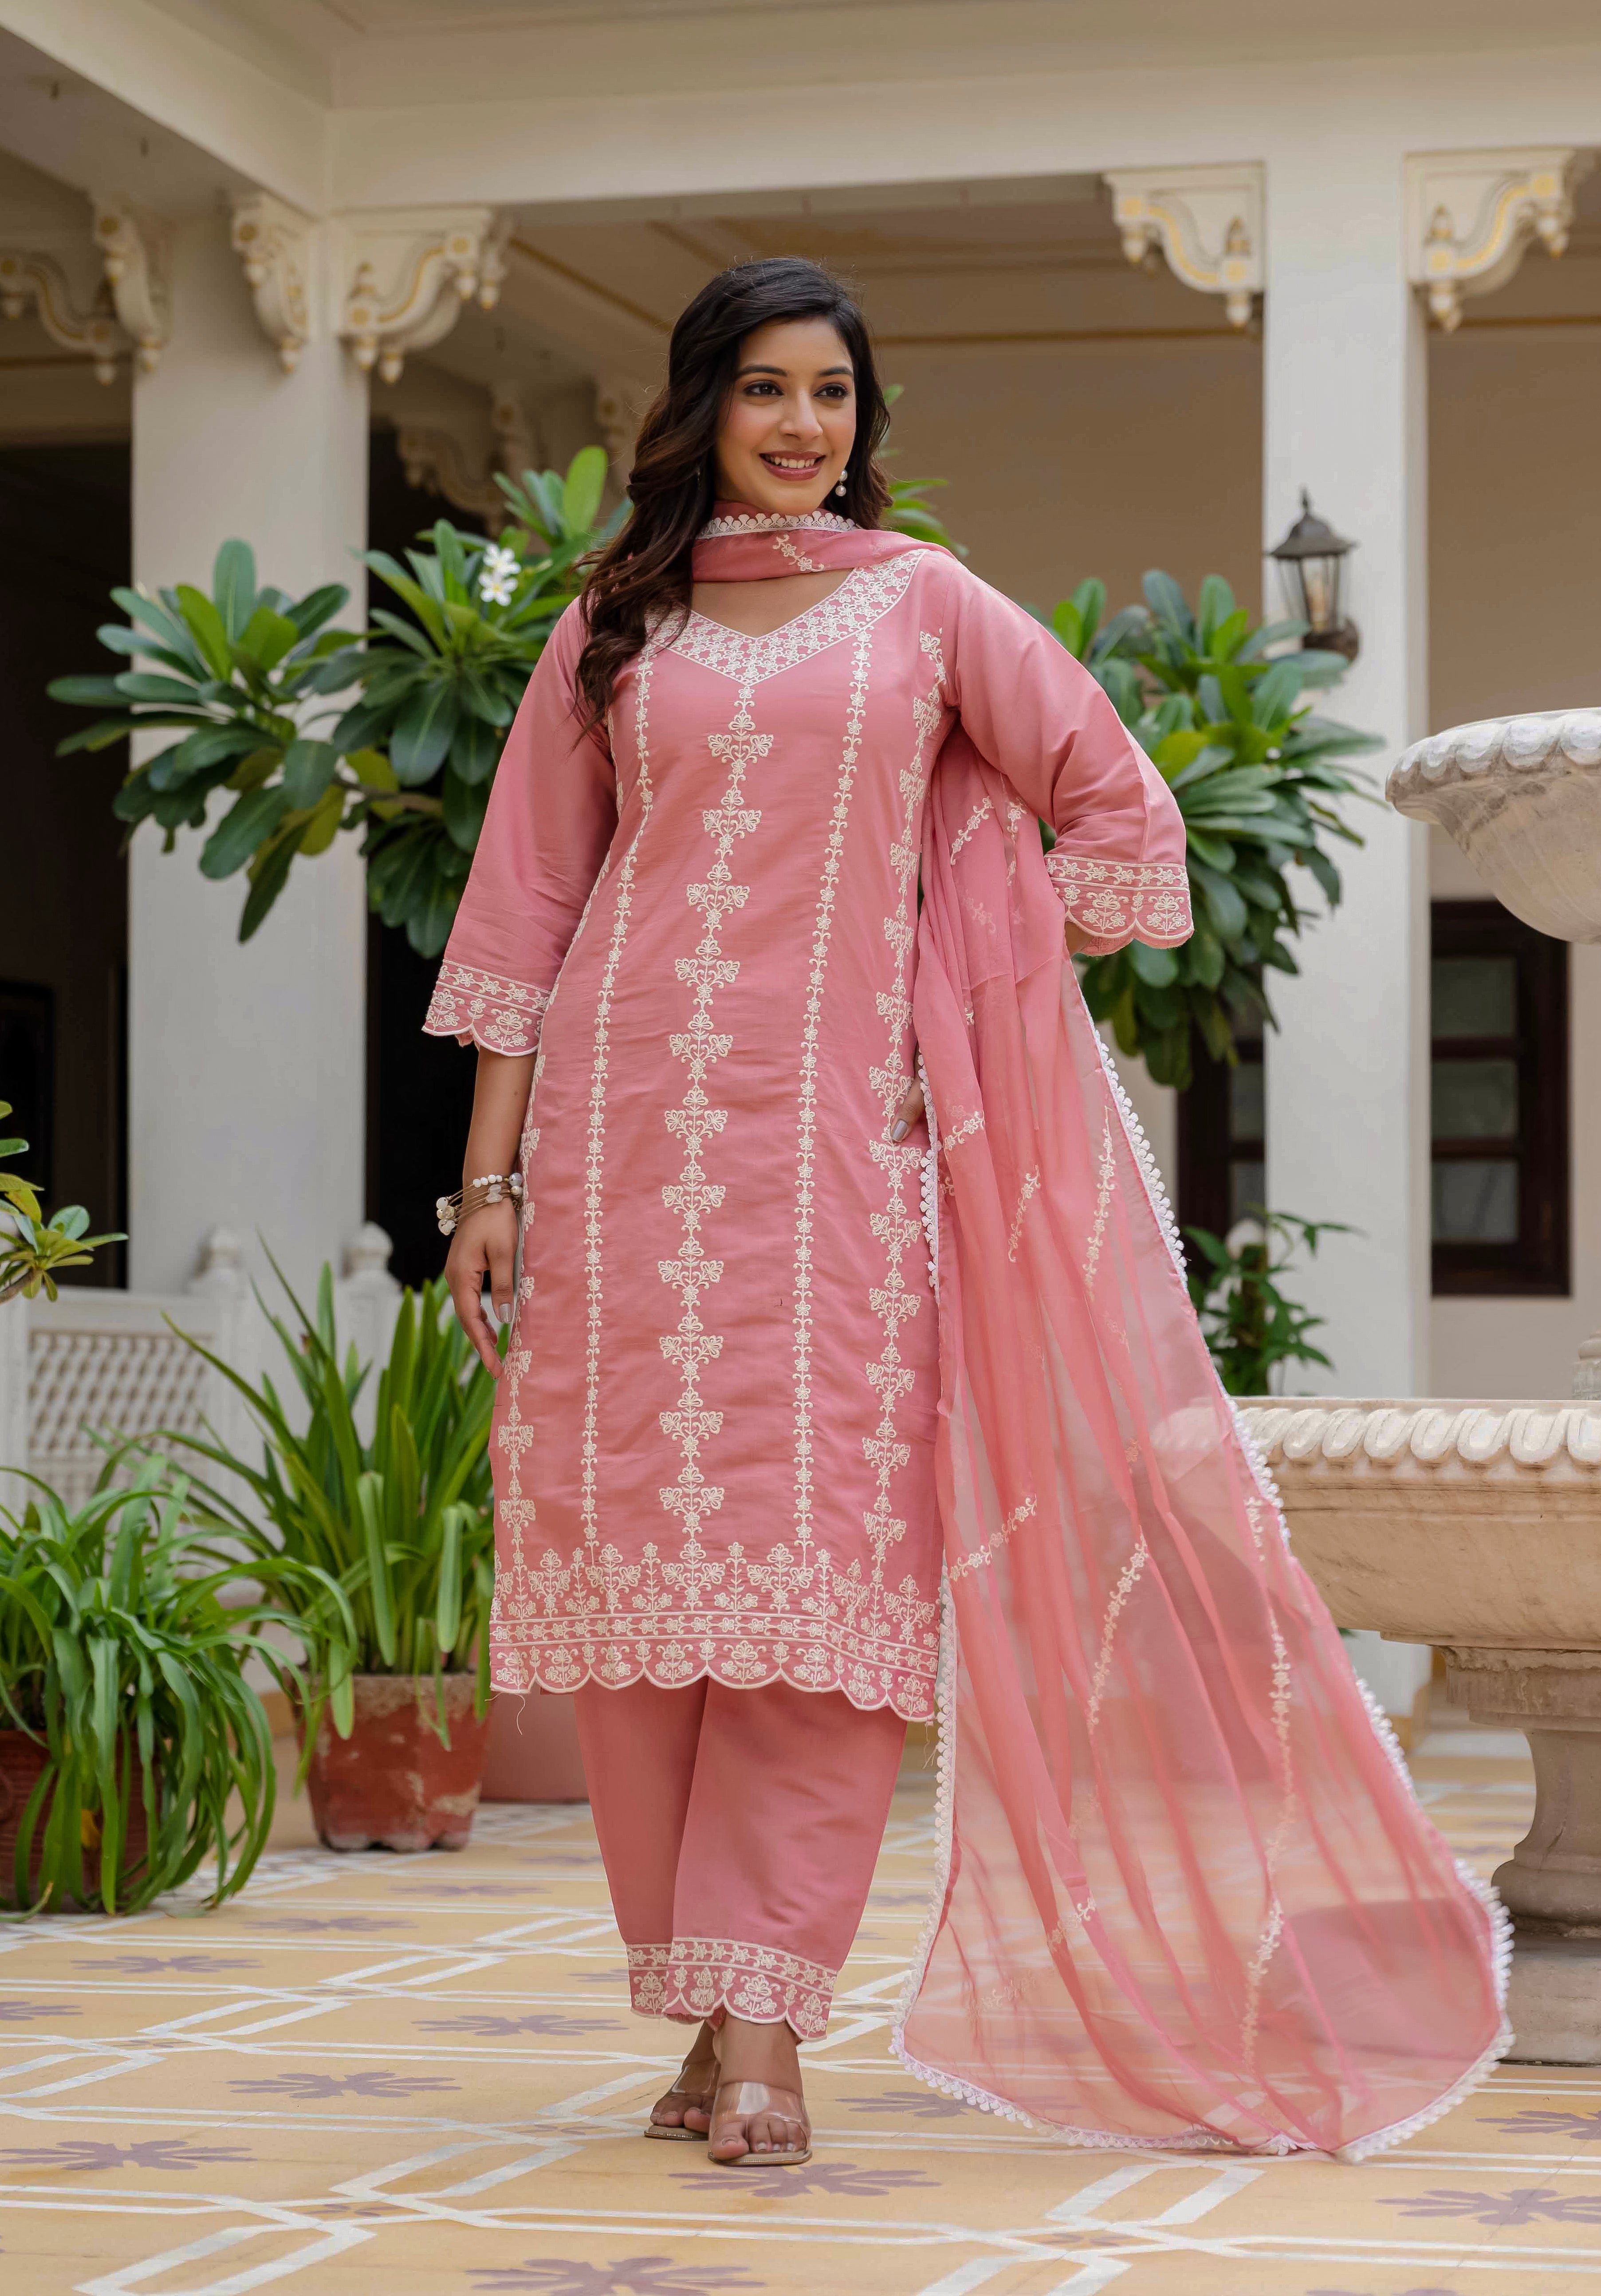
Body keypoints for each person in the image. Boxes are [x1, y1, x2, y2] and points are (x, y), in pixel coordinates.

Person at [430, 258, 1507, 2172]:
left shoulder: (922, 606)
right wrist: (488, 1183)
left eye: (830, 394)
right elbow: (527, 904)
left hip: (841, 1169)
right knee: (639, 1617)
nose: (799, 427)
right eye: (764, 390)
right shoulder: (609, 627)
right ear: (701, 408)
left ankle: (768, 2023)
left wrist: (969, 973)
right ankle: (698, 2005)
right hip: (618, 1152)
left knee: (814, 1607)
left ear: (864, 416)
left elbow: (1115, 806)